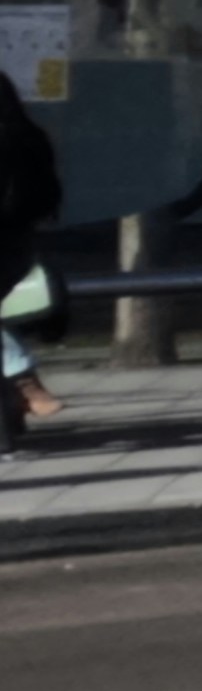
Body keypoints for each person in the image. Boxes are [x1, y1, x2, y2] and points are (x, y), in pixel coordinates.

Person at [0, 60, 61, 448]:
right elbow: (49, 199)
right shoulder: (31, 136)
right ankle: (23, 381)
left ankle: (24, 378)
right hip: (17, 251)